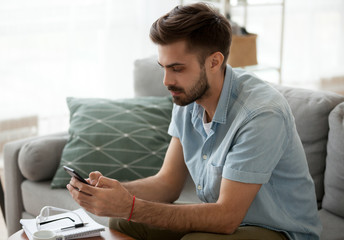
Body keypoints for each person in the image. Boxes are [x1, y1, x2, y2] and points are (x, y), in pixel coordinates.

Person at [67, 3, 321, 240]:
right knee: (121, 221)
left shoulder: (261, 115)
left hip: (278, 230)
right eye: (163, 67)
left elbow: (226, 218)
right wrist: (112, 193)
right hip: (228, 218)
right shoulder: (188, 97)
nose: (166, 81)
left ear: (214, 61)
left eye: (177, 68)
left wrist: (130, 206)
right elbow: (167, 184)